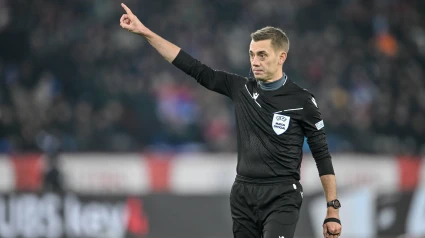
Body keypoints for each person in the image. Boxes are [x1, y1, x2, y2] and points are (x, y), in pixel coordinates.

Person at [119, 3, 342, 238]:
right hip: (243, 194)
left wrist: (332, 209)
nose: (254, 61)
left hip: (282, 196)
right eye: (252, 54)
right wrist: (146, 32)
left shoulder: (303, 101)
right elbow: (193, 67)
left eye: (262, 55)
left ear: (281, 57)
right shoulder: (241, 88)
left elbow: (322, 156)